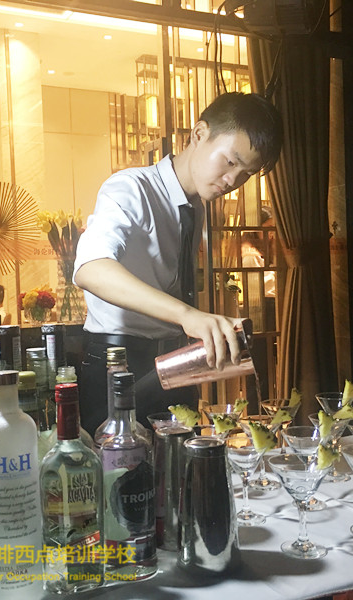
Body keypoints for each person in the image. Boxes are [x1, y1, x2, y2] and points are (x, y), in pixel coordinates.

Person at [73, 92, 283, 433]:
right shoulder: (131, 188)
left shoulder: (194, 207)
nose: (232, 181)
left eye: (246, 173)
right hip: (119, 366)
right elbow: (90, 268)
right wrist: (188, 316)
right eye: (230, 162)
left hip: (172, 363)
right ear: (199, 134)